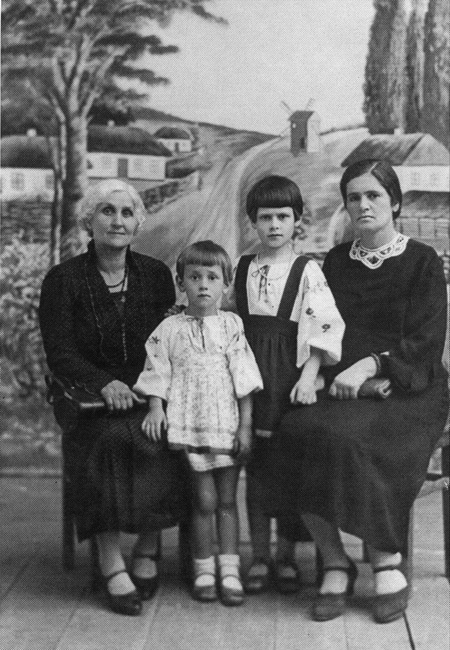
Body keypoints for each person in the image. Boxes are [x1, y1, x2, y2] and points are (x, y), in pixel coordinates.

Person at [268, 159, 449, 623]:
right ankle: (335, 561)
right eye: (354, 197)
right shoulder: (336, 262)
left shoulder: (422, 261)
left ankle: (386, 561)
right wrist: (322, 372)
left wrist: (373, 365)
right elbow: (324, 327)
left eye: (373, 195)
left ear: (395, 202)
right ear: (346, 207)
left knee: (353, 440)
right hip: (345, 383)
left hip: (411, 386)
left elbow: (427, 340)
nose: (363, 205)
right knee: (295, 430)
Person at [39, 179, 187, 616]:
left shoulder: (155, 275)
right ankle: (110, 561)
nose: (117, 221)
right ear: (90, 220)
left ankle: (147, 547)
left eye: (126, 213)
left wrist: (151, 389)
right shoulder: (63, 280)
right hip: (89, 396)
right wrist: (104, 383)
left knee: (163, 436)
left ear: (138, 222)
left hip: (147, 389)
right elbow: (60, 352)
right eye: (107, 211)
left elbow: (165, 341)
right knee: (106, 441)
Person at [222, 175, 345, 594]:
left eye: (282, 217)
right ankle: (259, 555)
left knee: (290, 469)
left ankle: (287, 555)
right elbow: (226, 318)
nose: (274, 225)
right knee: (255, 470)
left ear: (297, 221)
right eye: (265, 217)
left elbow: (323, 325)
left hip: (289, 379)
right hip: (247, 377)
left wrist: (309, 377)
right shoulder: (242, 267)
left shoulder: (307, 270)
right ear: (253, 222)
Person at [134, 241, 263, 606]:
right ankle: (204, 568)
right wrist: (155, 408)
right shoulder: (169, 328)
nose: (203, 285)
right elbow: (157, 370)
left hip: (226, 425)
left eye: (212, 277)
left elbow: (244, 378)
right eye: (194, 277)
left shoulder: (232, 326)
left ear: (226, 284)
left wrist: (245, 426)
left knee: (227, 500)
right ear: (181, 282)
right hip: (190, 424)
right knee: (204, 501)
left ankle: (230, 571)